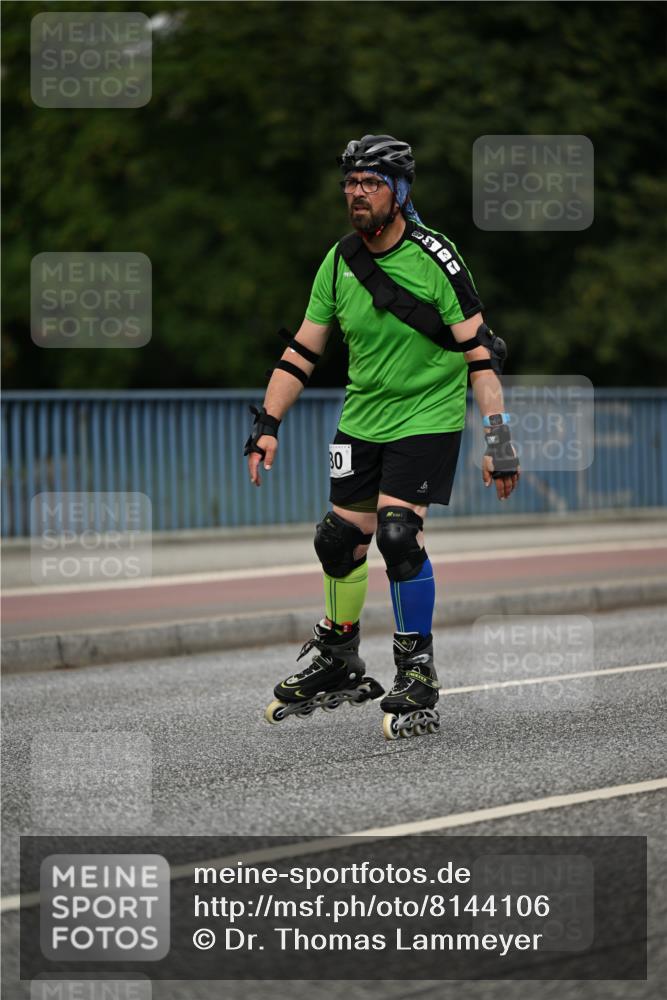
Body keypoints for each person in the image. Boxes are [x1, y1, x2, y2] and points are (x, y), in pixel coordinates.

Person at [245, 134, 519, 740]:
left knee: (398, 535)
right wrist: (266, 425)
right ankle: (338, 656)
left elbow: (480, 355)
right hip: (362, 418)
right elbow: (301, 352)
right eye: (351, 183)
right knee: (338, 539)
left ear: (399, 192)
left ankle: (416, 669)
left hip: (427, 415)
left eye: (371, 183)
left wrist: (497, 440)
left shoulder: (436, 257)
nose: (358, 193)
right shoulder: (338, 261)